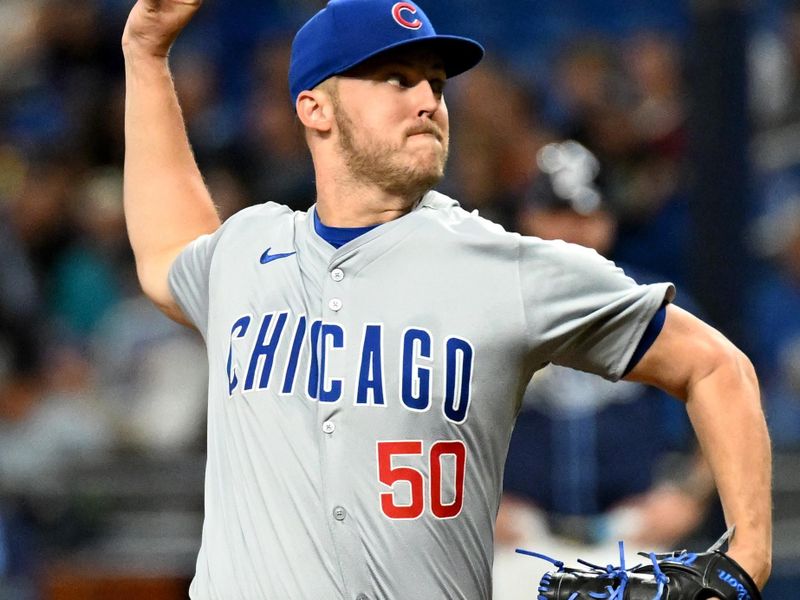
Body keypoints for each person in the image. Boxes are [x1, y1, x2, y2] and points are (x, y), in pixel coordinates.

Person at [121, 1, 772, 598]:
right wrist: (146, 55)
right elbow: (166, 248)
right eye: (397, 80)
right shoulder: (249, 250)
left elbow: (715, 365)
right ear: (314, 107)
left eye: (435, 81)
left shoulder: (504, 266)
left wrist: (748, 559)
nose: (428, 100)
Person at [492, 141, 715, 599]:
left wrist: (687, 498)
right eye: (557, 214)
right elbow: (432, 416)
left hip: (631, 536)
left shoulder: (653, 306)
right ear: (528, 219)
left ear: (608, 223)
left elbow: (724, 401)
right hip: (516, 538)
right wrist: (471, 507)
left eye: (585, 216)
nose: (573, 231)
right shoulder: (489, 307)